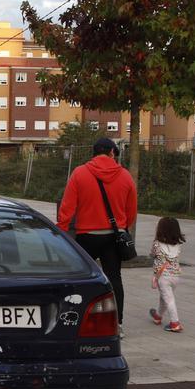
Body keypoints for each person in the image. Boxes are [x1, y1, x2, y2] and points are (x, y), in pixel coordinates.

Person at [58, 137, 138, 328]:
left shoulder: (79, 173)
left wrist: (61, 231)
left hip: (87, 235)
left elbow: (67, 206)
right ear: (112, 153)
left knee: (81, 277)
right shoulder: (125, 176)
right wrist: (123, 227)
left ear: (93, 153)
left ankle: (75, 319)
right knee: (114, 278)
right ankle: (116, 323)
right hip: (113, 235)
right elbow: (131, 209)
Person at [149, 217, 186, 333]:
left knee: (169, 299)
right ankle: (158, 316)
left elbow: (152, 254)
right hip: (175, 276)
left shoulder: (157, 244)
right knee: (164, 297)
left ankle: (175, 323)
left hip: (163, 277)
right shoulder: (178, 245)